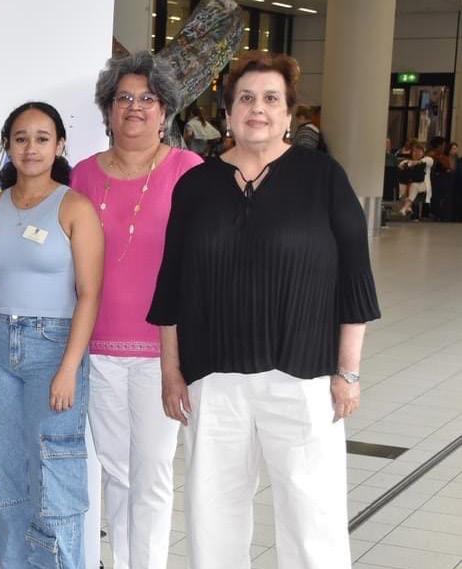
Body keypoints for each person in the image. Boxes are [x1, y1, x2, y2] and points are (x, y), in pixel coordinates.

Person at [148, 52, 379, 569]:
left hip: (302, 374)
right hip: (214, 377)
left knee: (312, 512)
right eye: (246, 98)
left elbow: (355, 280)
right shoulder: (196, 186)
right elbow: (172, 285)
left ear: (289, 112)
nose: (258, 108)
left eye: (271, 98)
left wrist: (348, 372)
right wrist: (170, 370)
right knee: (213, 510)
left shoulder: (323, 177)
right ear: (228, 112)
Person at [0, 102, 103, 568]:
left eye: (42, 138)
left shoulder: (75, 208)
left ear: (59, 146)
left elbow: (89, 295)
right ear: (7, 146)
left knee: (55, 481)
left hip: (54, 349)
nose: (31, 148)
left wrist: (68, 369)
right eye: (20, 138)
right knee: (4, 481)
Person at [70, 52, 204, 569]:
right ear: (107, 109)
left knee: (152, 474)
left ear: (165, 110)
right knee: (116, 471)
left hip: (163, 353)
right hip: (98, 348)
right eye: (123, 97)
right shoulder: (83, 175)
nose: (134, 107)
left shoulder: (188, 171)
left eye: (147, 98)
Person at [397, 140, 432, 218]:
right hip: (409, 183)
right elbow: (400, 166)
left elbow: (428, 162)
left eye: (419, 152)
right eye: (415, 151)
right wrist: (404, 165)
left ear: (423, 153)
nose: (417, 153)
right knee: (401, 185)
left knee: (414, 185)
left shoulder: (427, 160)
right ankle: (408, 207)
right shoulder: (406, 161)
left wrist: (416, 162)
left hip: (423, 185)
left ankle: (404, 208)